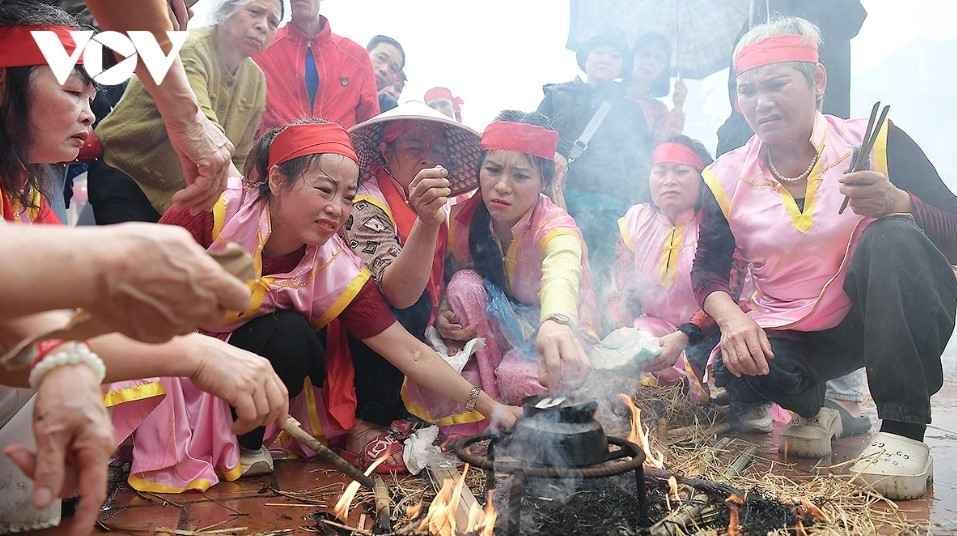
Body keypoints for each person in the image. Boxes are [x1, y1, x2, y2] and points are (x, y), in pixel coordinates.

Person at [0, 4, 288, 533]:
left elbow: (39, 325)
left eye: (91, 96)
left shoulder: (24, 188)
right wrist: (191, 351)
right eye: (71, 91)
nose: (90, 114)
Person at [128, 118, 519, 488]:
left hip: (237, 371)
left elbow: (408, 351)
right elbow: (135, 281)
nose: (337, 208)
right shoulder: (216, 209)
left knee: (291, 337)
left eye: (348, 196)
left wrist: (492, 408)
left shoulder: (332, 264)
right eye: (324, 190)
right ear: (277, 180)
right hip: (165, 349)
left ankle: (242, 443)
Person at [692, 16, 957, 500]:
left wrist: (901, 203)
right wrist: (731, 319)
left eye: (777, 84)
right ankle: (817, 408)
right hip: (799, 334)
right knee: (733, 365)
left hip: (879, 318)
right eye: (747, 90)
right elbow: (707, 268)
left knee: (892, 236)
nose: (760, 102)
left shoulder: (872, 142)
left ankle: (903, 433)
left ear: (817, 82)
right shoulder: (724, 176)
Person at [404, 110, 598, 438]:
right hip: (499, 334)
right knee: (464, 286)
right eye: (492, 169)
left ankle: (499, 396)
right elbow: (449, 278)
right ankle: (493, 405)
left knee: (516, 378)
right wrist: (441, 316)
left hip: (558, 335)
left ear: (544, 183)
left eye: (521, 176)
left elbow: (562, 268)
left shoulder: (556, 226)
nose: (501, 186)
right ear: (480, 170)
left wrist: (557, 322)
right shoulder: (466, 220)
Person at [343, 102, 482, 467]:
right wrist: (427, 220)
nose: (428, 159)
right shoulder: (365, 204)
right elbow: (399, 292)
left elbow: (443, 273)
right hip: (357, 333)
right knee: (410, 303)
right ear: (387, 153)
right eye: (413, 149)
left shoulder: (440, 205)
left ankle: (404, 410)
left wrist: (445, 315)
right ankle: (366, 422)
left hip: (411, 335)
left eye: (437, 151)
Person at [89, 0, 281, 224]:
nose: (262, 26)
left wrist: (240, 203)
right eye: (254, 12)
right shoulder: (189, 47)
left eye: (273, 22)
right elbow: (203, 130)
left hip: (183, 196)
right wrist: (252, 214)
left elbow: (240, 155)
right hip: (126, 174)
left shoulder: (256, 80)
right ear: (225, 10)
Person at [536, 29, 652, 331]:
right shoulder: (557, 95)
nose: (606, 59)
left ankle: (598, 333)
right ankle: (557, 327)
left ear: (622, 66)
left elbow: (640, 160)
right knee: (559, 262)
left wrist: (634, 206)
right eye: (599, 52)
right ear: (585, 58)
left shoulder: (630, 110)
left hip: (611, 207)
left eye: (615, 56)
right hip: (558, 201)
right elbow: (533, 138)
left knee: (603, 273)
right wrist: (553, 154)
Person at [254, 0, 378, 133]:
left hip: (338, 151)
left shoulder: (356, 56)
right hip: (274, 150)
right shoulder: (262, 47)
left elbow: (371, 127)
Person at [624, 32, 687, 143]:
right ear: (632, 58)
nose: (650, 62)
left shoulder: (658, 110)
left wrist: (678, 106)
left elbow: (663, 146)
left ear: (663, 70)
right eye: (645, 55)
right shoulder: (609, 92)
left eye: (659, 59)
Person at [366, 34, 405, 113]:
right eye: (381, 58)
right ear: (365, 53)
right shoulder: (338, 83)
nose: (384, 70)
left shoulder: (387, 109)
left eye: (393, 68)